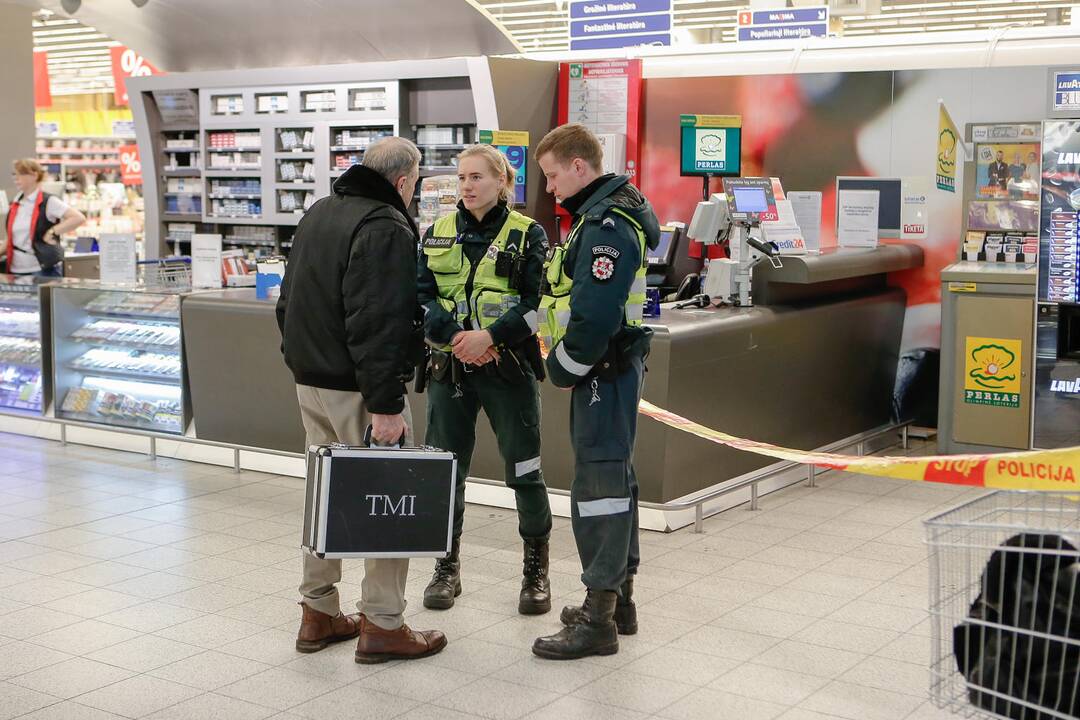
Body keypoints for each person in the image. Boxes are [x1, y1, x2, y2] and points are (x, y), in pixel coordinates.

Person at [275, 136, 446, 664]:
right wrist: (387, 404)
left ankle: (318, 611)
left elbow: (288, 303)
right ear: (403, 181)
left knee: (324, 496)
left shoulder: (321, 212)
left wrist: (304, 363)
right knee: (388, 502)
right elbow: (378, 322)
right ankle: (384, 624)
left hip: (312, 382)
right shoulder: (384, 226)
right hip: (361, 391)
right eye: (415, 185)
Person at [530, 124, 659, 660]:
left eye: (553, 175)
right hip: (608, 370)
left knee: (600, 487)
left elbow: (595, 315)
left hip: (600, 371)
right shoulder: (599, 216)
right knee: (615, 479)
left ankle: (596, 619)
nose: (550, 187)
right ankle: (618, 601)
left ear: (579, 167)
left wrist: (562, 367)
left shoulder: (605, 226)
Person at [418, 144, 553, 614]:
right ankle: (445, 568)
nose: (467, 186)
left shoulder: (529, 235)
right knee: (445, 473)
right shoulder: (435, 234)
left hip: (508, 369)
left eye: (477, 177)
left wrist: (490, 337)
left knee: (524, 471)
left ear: (501, 182)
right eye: (461, 178)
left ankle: (536, 573)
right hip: (448, 368)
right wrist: (459, 337)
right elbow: (422, 299)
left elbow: (538, 305)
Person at [3, 159, 85, 277]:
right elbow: (11, 239)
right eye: (14, 174)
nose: (16, 178)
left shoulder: (48, 201)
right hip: (15, 270)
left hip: (41, 269)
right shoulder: (16, 204)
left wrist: (52, 231)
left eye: (21, 174)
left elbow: (78, 218)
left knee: (43, 295)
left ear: (34, 175)